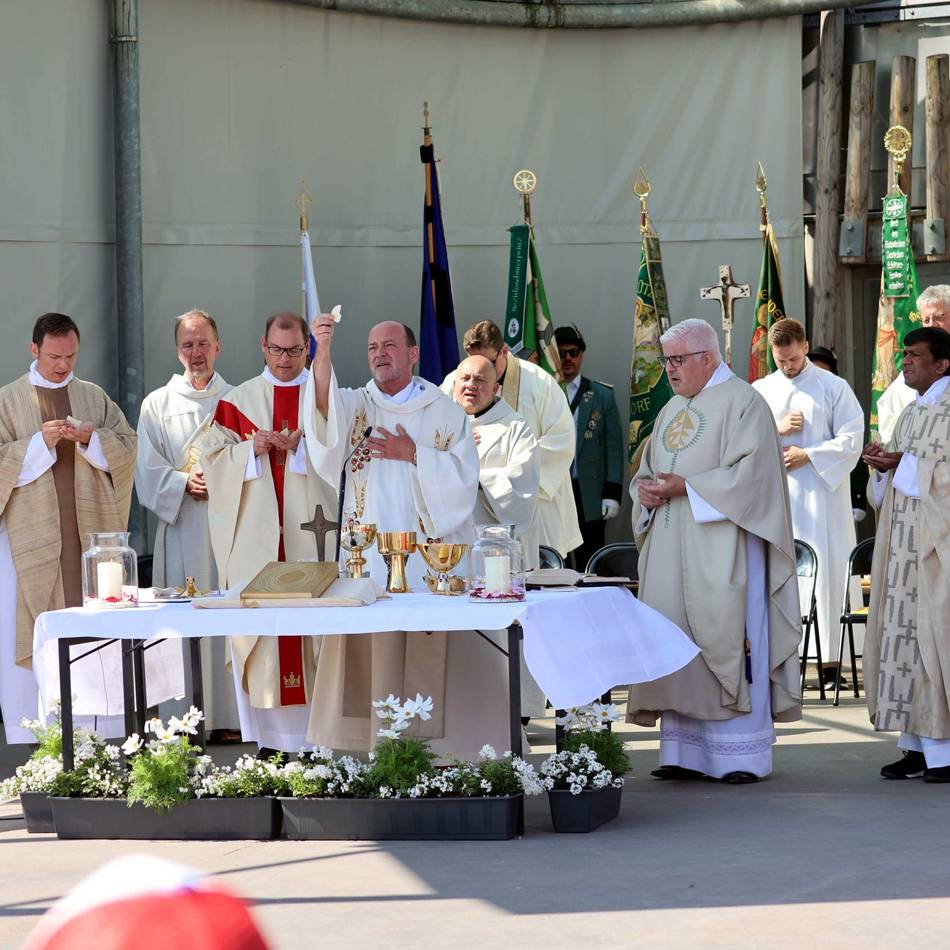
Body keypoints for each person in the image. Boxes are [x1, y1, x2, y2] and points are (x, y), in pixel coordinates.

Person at [303, 316, 511, 759]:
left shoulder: (446, 412)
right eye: (372, 347)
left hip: (427, 560)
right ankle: (366, 748)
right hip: (370, 564)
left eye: (390, 345)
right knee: (370, 650)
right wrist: (322, 352)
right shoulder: (356, 407)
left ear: (413, 354)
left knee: (431, 646)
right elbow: (320, 412)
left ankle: (450, 749)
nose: (380, 353)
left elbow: (464, 481)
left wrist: (415, 454)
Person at [626, 318, 802, 783]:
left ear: (707, 358)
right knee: (676, 641)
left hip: (725, 548)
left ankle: (738, 756)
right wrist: (642, 492)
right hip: (670, 546)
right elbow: (647, 469)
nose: (669, 370)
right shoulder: (670, 410)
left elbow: (756, 478)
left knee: (727, 639)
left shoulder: (745, 403)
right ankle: (683, 754)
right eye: (666, 361)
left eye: (677, 360)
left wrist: (690, 488)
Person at [0, 313, 156, 743]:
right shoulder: (8, 401)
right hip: (28, 543)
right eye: (54, 356)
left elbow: (128, 447)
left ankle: (99, 734)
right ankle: (41, 737)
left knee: (96, 631)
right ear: (34, 350)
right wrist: (38, 444)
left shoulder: (92, 396)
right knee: (33, 628)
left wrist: (91, 440)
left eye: (70, 356)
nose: (63, 365)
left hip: (92, 537)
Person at [202, 313, 337, 753]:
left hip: (310, 536)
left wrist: (306, 450)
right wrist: (249, 451)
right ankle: (268, 743)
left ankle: (318, 740)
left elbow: (348, 457)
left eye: (295, 350)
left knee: (314, 633)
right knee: (261, 640)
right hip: (257, 543)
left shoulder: (324, 398)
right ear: (263, 346)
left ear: (307, 350)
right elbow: (211, 462)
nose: (285, 359)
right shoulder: (237, 401)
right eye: (277, 350)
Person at [135, 309, 239, 739]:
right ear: (177, 350)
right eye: (187, 345)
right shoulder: (157, 404)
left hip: (229, 529)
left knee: (228, 620)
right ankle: (182, 719)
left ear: (218, 346)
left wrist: (223, 480)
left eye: (203, 343)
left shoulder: (239, 400)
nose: (196, 353)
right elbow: (146, 470)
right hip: (181, 527)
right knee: (181, 620)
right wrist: (182, 482)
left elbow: (255, 460)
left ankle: (231, 719)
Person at [752, 318, 864, 685]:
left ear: (804, 346)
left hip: (821, 502)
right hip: (777, 500)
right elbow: (741, 443)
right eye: (781, 360)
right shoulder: (761, 390)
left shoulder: (833, 387)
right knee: (780, 576)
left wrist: (810, 455)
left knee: (826, 573)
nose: (788, 366)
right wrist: (776, 429)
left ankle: (830, 663)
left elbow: (852, 439)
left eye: (794, 359)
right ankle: (784, 661)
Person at [862, 326, 950, 782]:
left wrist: (905, 465)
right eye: (903, 356)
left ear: (942, 364)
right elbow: (893, 484)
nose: (905, 363)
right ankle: (915, 745)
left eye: (914, 356)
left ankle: (946, 752)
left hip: (940, 551)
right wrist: (881, 466)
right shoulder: (911, 412)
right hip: (902, 550)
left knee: (939, 645)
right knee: (907, 645)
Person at [452, 353, 545, 720]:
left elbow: (520, 489)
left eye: (480, 380)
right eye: (465, 379)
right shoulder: (443, 424)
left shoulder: (516, 428)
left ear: (496, 388)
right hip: (452, 549)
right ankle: (462, 713)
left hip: (496, 554)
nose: (471, 386)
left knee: (500, 631)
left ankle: (512, 711)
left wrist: (468, 474)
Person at [441, 320, 582, 560]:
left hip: (531, 501)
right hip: (469, 508)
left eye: (489, 362)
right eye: (474, 360)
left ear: (504, 351)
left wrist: (517, 479)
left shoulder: (540, 383)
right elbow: (436, 434)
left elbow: (562, 440)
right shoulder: (456, 382)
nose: (481, 368)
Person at [553, 325, 624, 571]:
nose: (568, 359)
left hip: (589, 492)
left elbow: (613, 447)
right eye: (561, 354)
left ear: (581, 355)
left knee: (590, 562)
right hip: (556, 490)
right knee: (556, 561)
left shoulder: (601, 395)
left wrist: (612, 493)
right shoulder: (546, 394)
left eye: (573, 353)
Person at [877, 285, 950, 443]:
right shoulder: (907, 379)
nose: (932, 324)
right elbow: (890, 425)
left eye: (939, 317)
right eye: (926, 319)